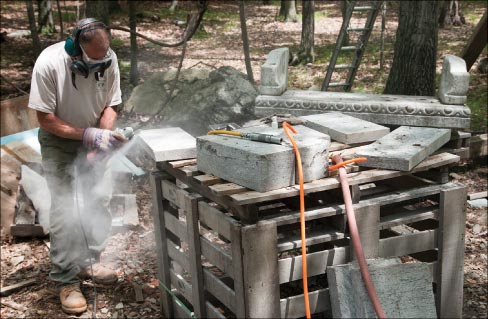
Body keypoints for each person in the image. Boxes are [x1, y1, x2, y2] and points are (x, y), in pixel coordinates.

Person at [28, 18, 127, 314]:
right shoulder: (48, 63)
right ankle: (65, 278)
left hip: (94, 133)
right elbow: (44, 118)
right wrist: (85, 134)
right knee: (63, 206)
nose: (101, 62)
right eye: (93, 59)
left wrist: (102, 137)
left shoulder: (109, 59)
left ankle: (89, 262)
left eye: (104, 56)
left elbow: (111, 103)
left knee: (99, 198)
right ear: (75, 50)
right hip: (58, 139)